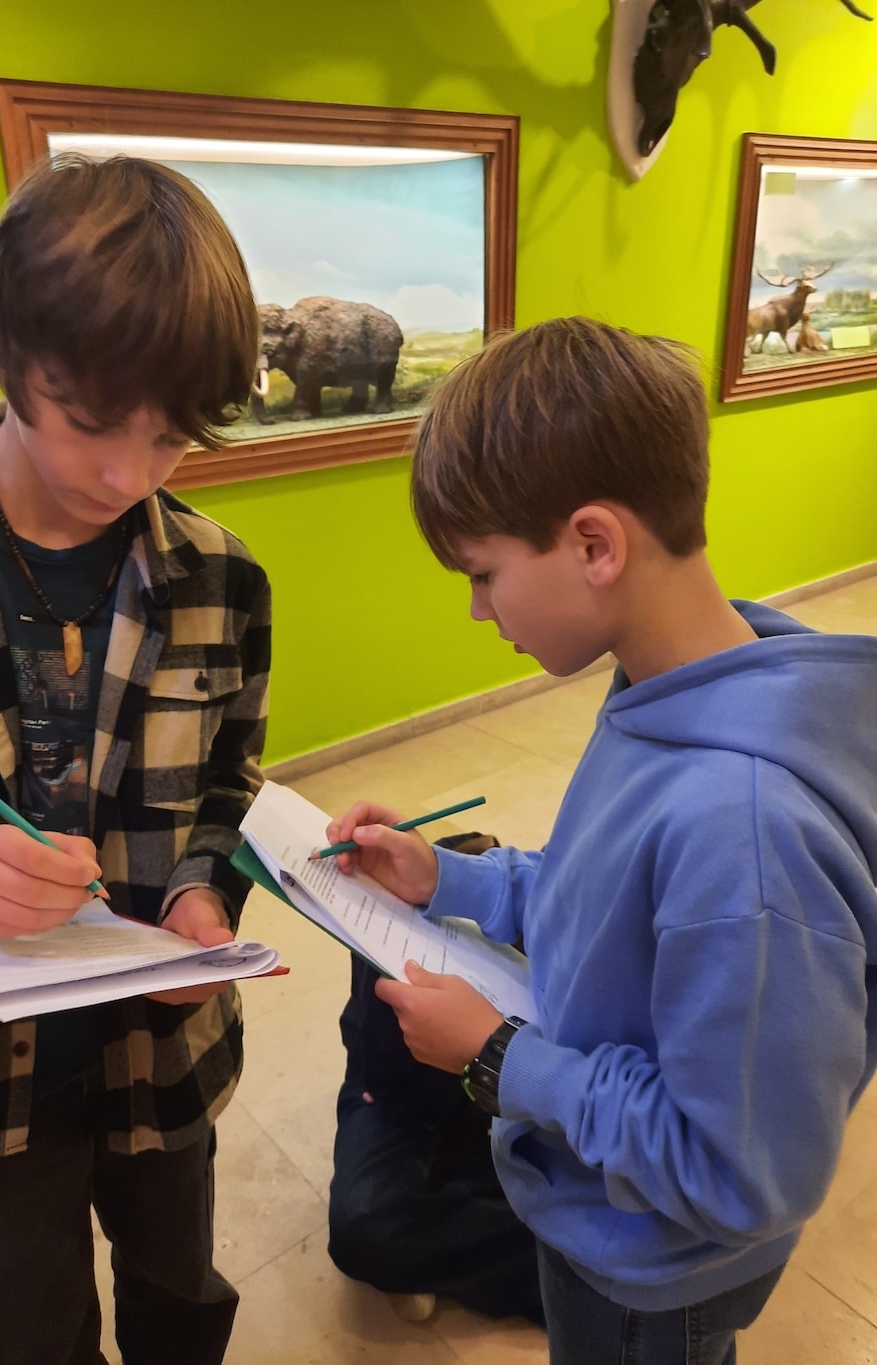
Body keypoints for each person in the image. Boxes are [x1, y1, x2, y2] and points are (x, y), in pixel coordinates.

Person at [322, 318, 877, 1364]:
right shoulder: (661, 687)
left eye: (481, 573)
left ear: (593, 545)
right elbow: (600, 904)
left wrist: (499, 1058)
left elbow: (742, 1174)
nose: (477, 611)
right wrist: (448, 877)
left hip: (649, 1271)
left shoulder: (744, 832)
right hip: (592, 1203)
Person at [0, 154, 270, 1365]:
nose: (128, 477)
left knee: (180, 1299)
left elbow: (233, 786)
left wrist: (205, 894)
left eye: (171, 436)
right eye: (89, 423)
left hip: (163, 1057)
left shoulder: (223, 575)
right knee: (22, 1332)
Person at [328, 833, 544, 1325]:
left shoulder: (541, 936)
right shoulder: (393, 936)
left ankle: (464, 1245)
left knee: (616, 1200)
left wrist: (496, 1052)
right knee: (365, 1227)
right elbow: (381, 1087)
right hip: (411, 1105)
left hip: (509, 1099)